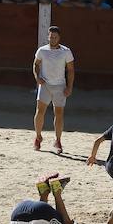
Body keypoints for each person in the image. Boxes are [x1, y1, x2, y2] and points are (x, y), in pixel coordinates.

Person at [33, 25, 75, 153]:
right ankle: (38, 137)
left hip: (60, 86)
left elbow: (70, 70)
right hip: (45, 84)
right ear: (48, 37)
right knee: (40, 111)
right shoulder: (42, 50)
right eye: (51, 37)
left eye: (55, 37)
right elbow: (36, 64)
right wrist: (37, 77)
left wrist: (69, 87)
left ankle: (58, 140)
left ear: (59, 38)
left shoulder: (66, 51)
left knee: (59, 114)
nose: (52, 39)